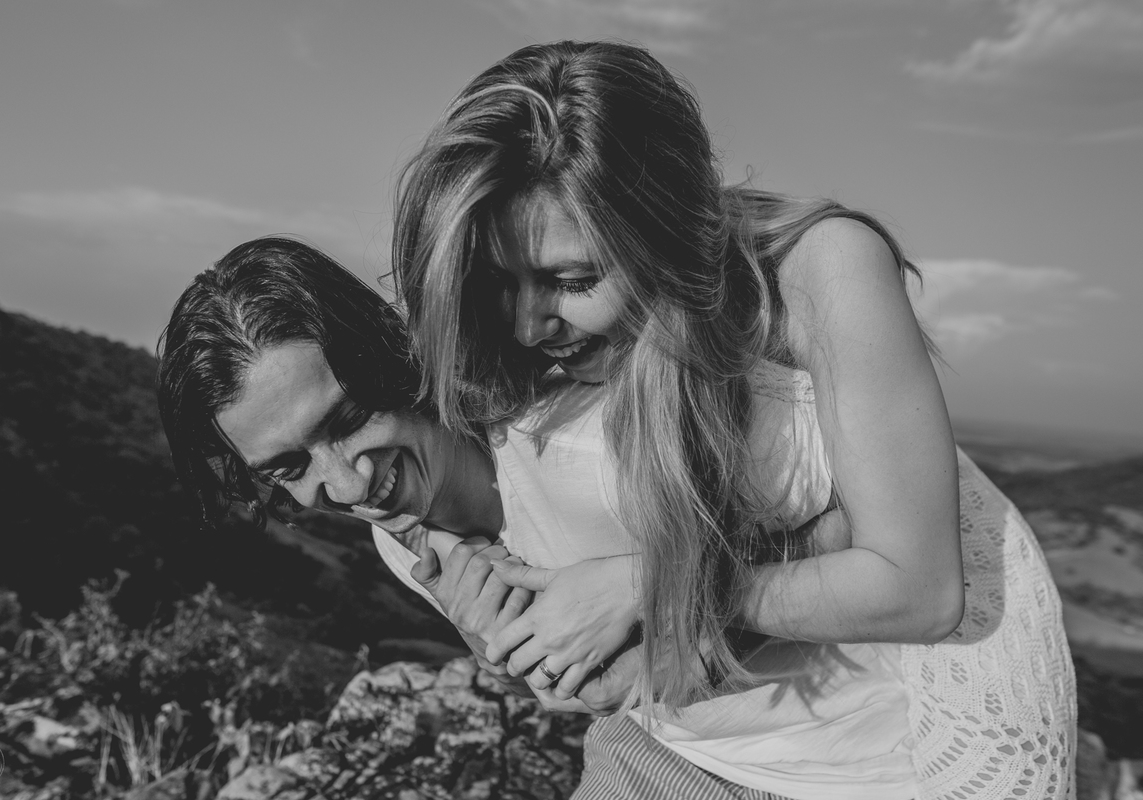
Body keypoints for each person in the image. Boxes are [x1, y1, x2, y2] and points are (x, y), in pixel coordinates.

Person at [392, 40, 1076, 799]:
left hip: (904, 728)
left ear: (663, 235)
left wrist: (651, 588)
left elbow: (920, 587)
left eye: (574, 279)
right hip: (695, 732)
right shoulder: (559, 336)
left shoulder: (826, 268)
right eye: (499, 282)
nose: (527, 327)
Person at [155, 235, 649, 712]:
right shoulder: (401, 541)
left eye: (348, 421)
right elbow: (543, 689)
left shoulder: (596, 446)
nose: (351, 487)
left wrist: (643, 585)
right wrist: (492, 653)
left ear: (394, 357)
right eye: (290, 468)